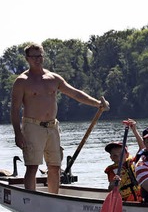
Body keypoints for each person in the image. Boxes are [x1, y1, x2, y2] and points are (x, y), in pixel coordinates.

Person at [10, 42, 110, 193]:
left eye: (40, 56)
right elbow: (14, 109)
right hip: (32, 126)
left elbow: (75, 93)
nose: (38, 59)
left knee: (55, 166)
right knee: (32, 166)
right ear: (27, 59)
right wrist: (18, 133)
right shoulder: (22, 81)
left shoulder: (53, 78)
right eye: (34, 57)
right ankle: (30, 197)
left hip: (52, 127)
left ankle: (53, 197)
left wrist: (96, 103)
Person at [104, 119, 145, 202]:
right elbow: (110, 189)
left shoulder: (132, 162)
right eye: (115, 155)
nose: (118, 158)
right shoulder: (112, 170)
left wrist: (134, 130)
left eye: (121, 154)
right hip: (125, 201)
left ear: (126, 154)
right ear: (111, 157)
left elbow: (142, 147)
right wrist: (115, 184)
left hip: (140, 199)